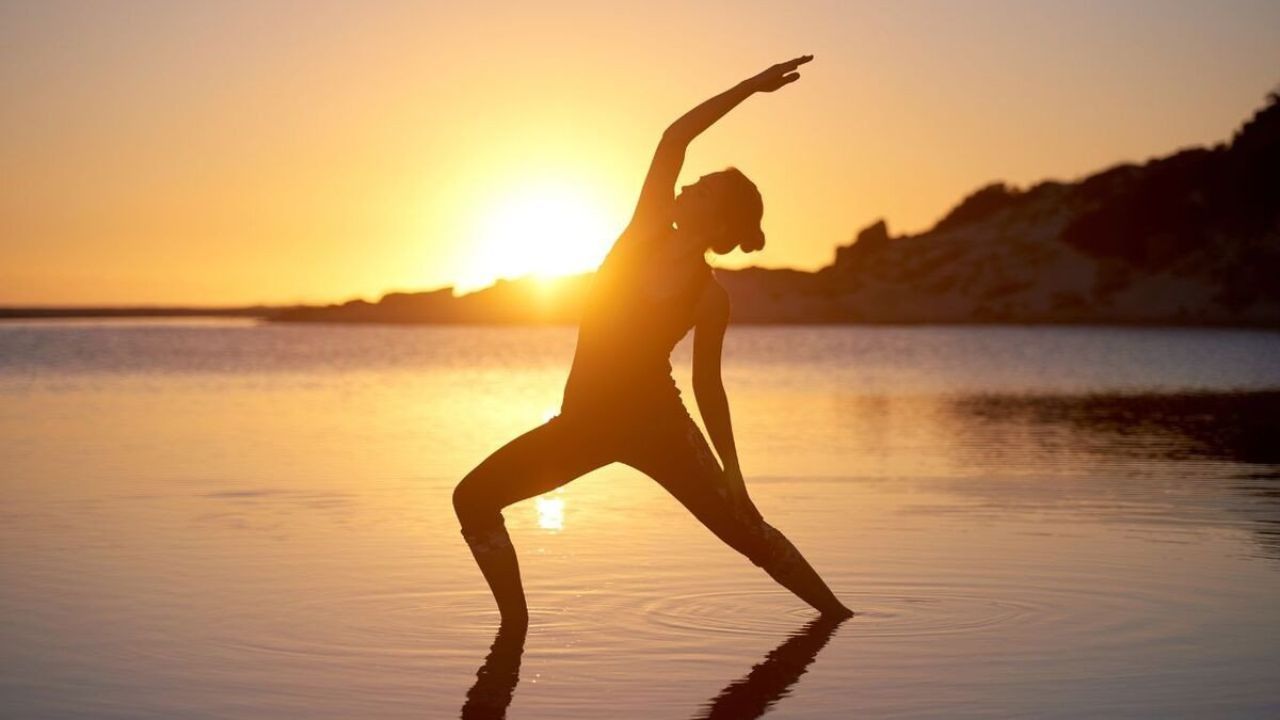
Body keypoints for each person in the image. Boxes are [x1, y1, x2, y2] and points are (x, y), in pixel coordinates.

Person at [453, 55, 852, 627]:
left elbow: (707, 387)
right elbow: (675, 139)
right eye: (696, 181)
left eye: (706, 190)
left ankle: (839, 618)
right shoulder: (641, 233)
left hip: (659, 427)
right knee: (472, 499)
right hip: (582, 424)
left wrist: (734, 475)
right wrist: (749, 87)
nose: (689, 185)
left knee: (749, 534)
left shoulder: (710, 296)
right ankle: (513, 629)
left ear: (719, 223)